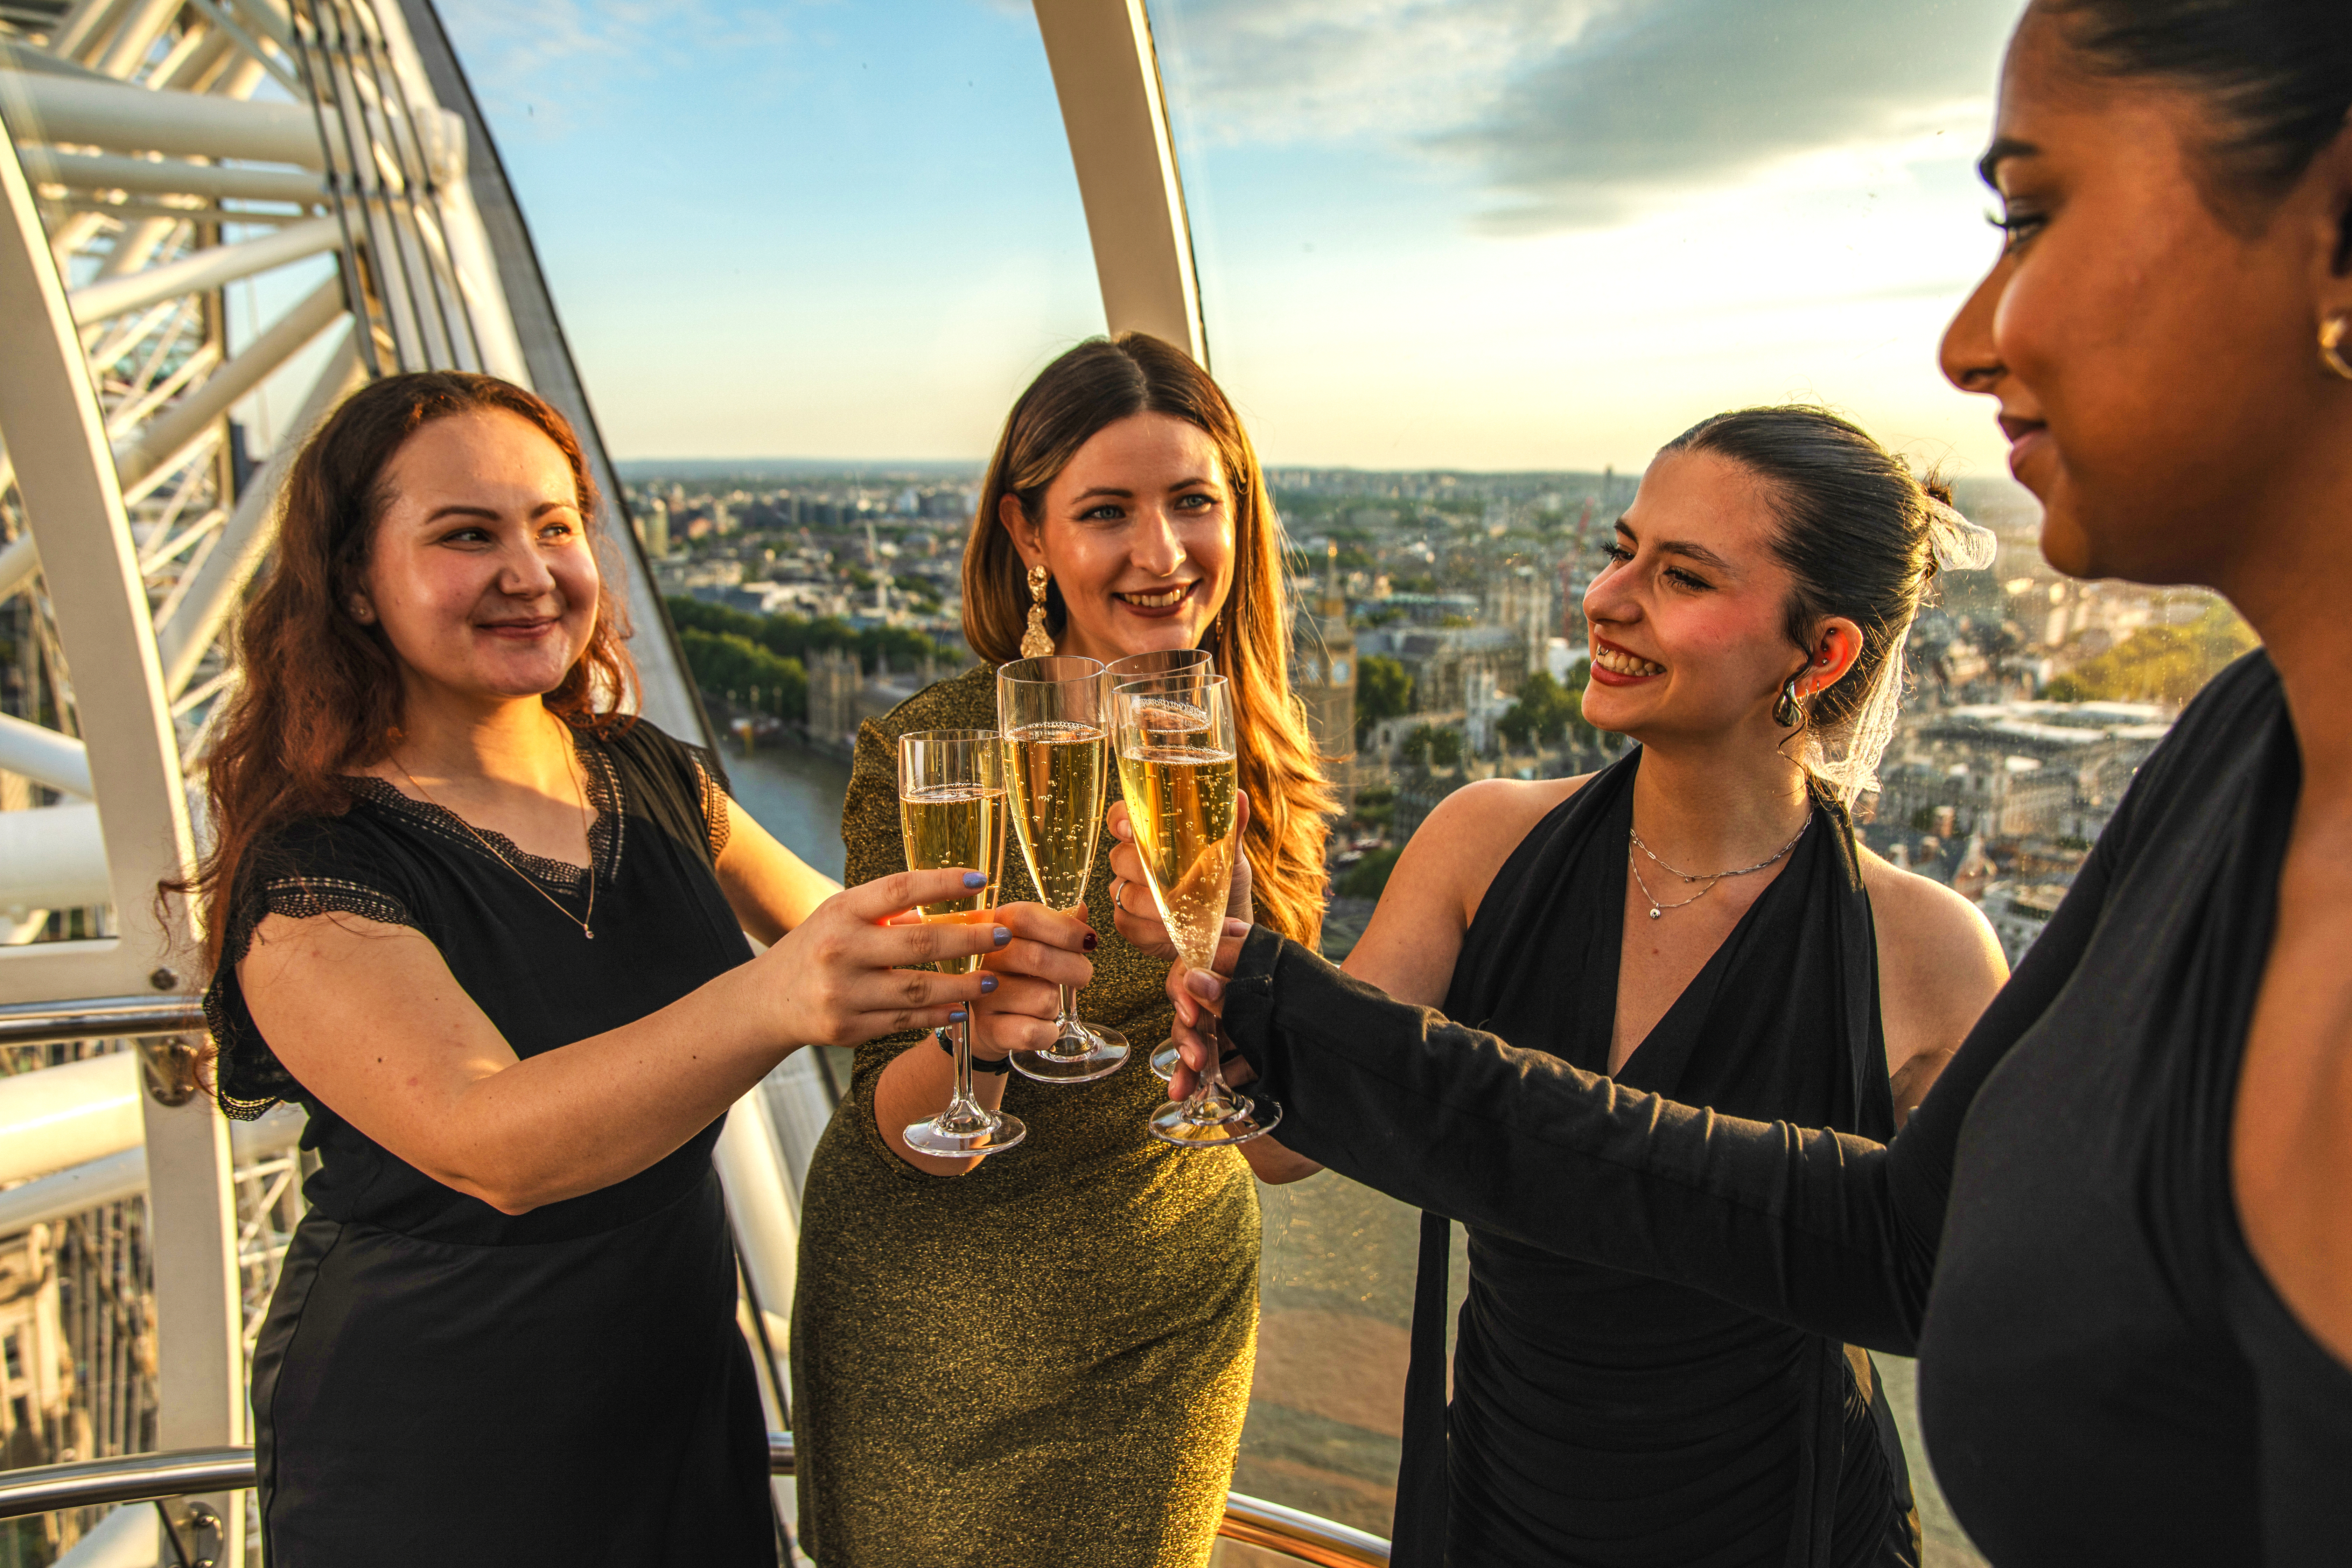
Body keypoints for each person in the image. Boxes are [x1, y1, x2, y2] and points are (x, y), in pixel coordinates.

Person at [1167, 3, 2352, 1563]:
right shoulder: (2234, 766)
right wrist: (1283, 1031)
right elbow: (1894, 1236)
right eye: (1619, 556)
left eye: (2035, 213)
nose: (1967, 338)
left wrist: (1326, 1038)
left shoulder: (1950, 931)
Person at [185, 372, 1081, 1566]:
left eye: (555, 527)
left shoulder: (652, 776)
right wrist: (773, 999)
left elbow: (847, 938)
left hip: (673, 1386)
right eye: (467, 535)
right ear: (352, 580)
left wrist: (994, 974)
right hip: (442, 1433)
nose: (529, 570)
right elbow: (488, 1142)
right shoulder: (318, 864)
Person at [1114, 406, 2008, 1565]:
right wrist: (1230, 994)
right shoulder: (1480, 843)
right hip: (1506, 1500)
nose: (1608, 598)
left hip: (1778, 1527)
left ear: (1822, 654)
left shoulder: (1928, 950)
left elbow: (1981, 1302)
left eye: (1680, 575)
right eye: (1618, 551)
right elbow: (1287, 1149)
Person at [790, 332, 1333, 1566]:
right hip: (933, 1328)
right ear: (1029, 537)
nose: (1161, 554)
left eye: (1195, 502)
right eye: (1106, 513)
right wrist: (977, 1040)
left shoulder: (1253, 751)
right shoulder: (931, 756)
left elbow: (1288, 1149)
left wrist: (1245, 995)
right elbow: (902, 1128)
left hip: (1164, 1330)